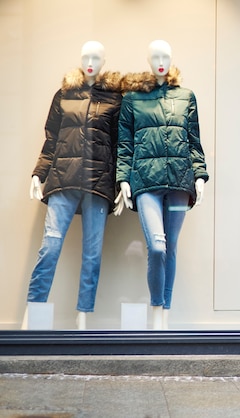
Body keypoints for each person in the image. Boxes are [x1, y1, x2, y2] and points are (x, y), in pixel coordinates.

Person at [24, 41, 123, 330]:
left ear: (104, 61)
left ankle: (83, 319)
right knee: (50, 246)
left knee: (92, 253)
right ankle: (33, 313)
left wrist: (120, 184)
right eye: (86, 56)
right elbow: (51, 139)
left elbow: (119, 145)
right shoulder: (64, 94)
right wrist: (38, 174)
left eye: (96, 57)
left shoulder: (115, 98)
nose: (91, 61)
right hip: (63, 179)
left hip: (98, 182)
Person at [115, 40, 209, 330]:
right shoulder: (132, 99)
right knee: (157, 246)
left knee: (171, 248)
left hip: (180, 181)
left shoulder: (186, 97)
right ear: (147, 60)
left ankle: (163, 316)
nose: (160, 61)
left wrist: (200, 175)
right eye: (155, 56)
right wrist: (123, 179)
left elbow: (194, 140)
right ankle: (157, 305)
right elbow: (125, 144)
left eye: (165, 56)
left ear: (171, 59)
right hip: (145, 181)